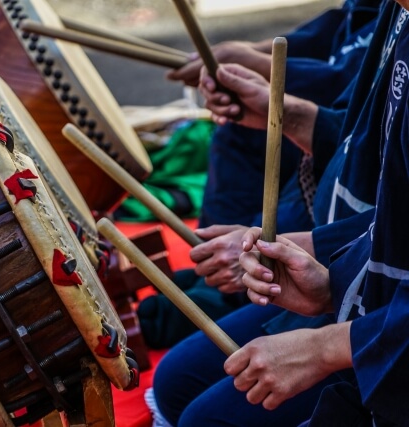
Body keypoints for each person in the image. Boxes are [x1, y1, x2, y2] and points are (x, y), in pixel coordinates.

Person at [153, 1, 409, 425]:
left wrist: (324, 347)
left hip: (388, 347)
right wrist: (330, 285)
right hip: (370, 297)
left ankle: (216, 296)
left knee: (206, 418)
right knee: (178, 383)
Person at [137, 0, 380, 349]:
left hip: (370, 240)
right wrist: (253, 54)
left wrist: (273, 74)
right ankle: (219, 271)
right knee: (243, 125)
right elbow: (341, 31)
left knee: (175, 386)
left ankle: (240, 280)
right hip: (348, 151)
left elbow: (351, 82)